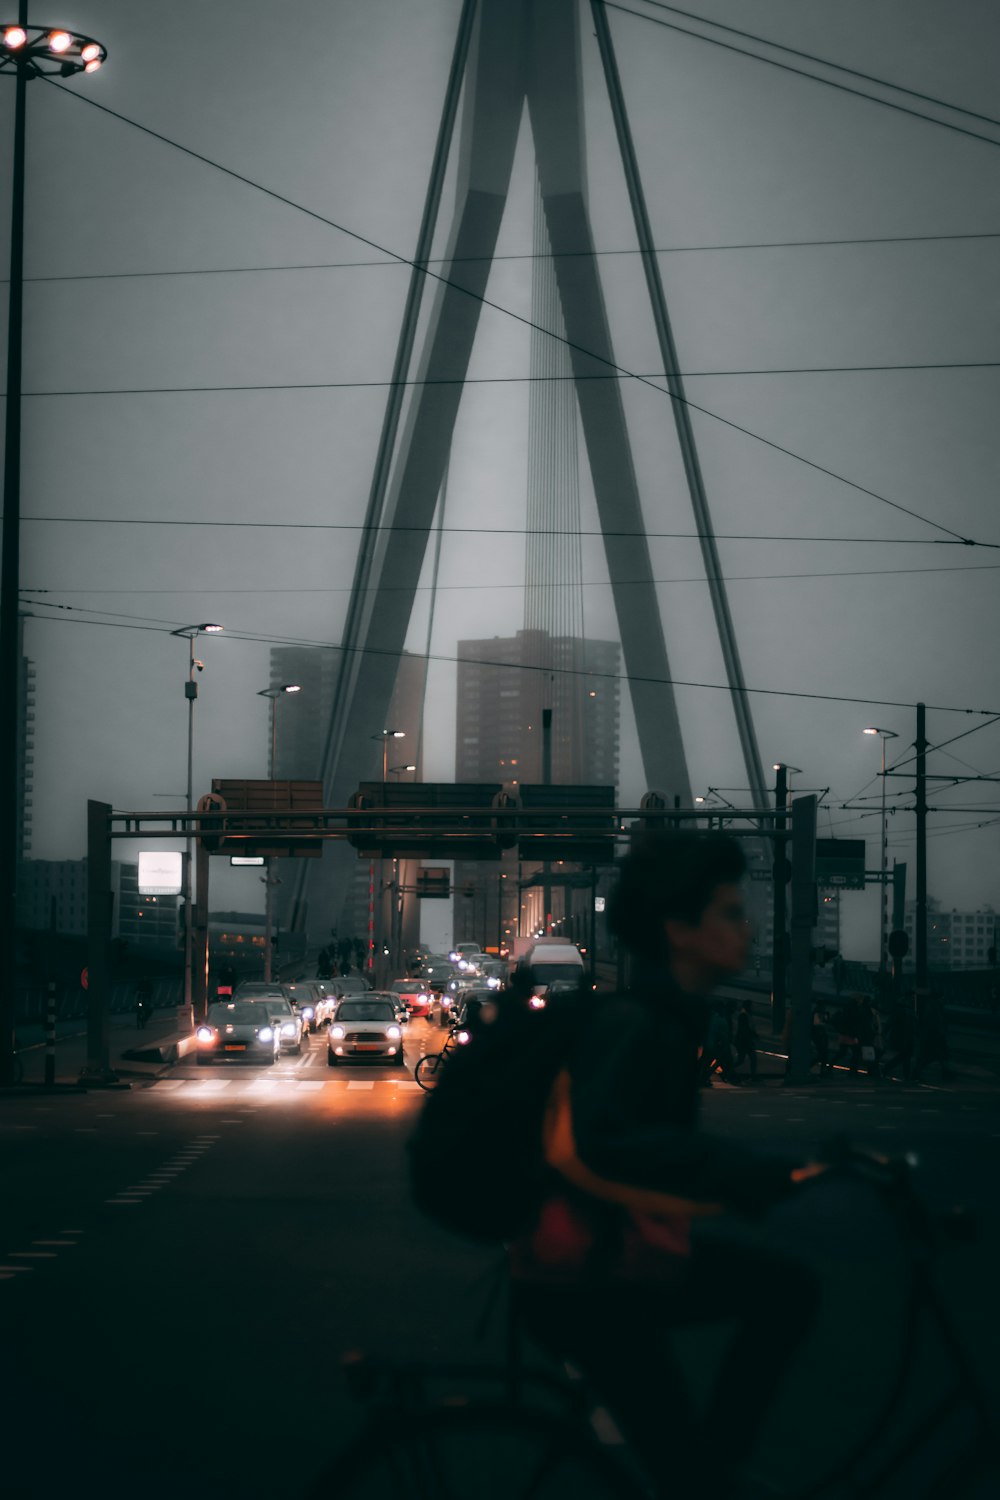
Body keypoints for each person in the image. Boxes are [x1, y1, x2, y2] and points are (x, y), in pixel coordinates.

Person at [511, 831, 825, 1500]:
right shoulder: (640, 1023)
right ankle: (717, 1479)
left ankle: (718, 1474)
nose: (750, 929)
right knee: (786, 1290)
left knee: (786, 1288)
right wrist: (732, 1171)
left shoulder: (666, 1016)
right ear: (680, 929)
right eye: (732, 914)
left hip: (611, 1261)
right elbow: (601, 1144)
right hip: (588, 1281)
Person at [912, 989, 953, 1082]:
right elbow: (934, 1022)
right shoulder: (933, 1007)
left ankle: (946, 1073)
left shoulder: (935, 1006)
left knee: (939, 1056)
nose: (943, 999)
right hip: (934, 1036)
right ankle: (916, 1072)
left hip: (934, 1036)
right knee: (933, 1056)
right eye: (942, 997)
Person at [733, 999, 759, 1082]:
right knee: (747, 1059)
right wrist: (753, 1034)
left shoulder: (745, 1014)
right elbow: (745, 1028)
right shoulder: (744, 1014)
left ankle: (753, 1076)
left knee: (745, 1059)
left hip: (745, 1040)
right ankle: (728, 1070)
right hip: (744, 1041)